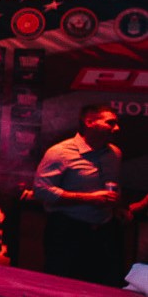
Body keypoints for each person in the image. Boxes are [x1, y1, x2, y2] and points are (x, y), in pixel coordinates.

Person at [35, 105, 148, 286]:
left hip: (105, 231)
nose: (117, 128)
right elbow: (42, 190)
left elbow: (112, 188)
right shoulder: (60, 152)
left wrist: (117, 207)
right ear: (89, 122)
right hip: (68, 230)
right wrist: (89, 198)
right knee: (63, 284)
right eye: (110, 123)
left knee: (105, 286)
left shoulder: (114, 154)